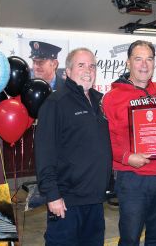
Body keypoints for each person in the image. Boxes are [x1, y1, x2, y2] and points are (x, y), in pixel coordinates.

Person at [34, 48, 112, 245]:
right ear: (67, 71)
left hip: (94, 200)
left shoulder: (99, 101)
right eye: (81, 65)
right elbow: (44, 153)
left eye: (92, 66)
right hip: (67, 202)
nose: (88, 70)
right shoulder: (56, 103)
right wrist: (52, 195)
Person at [102, 40, 156, 246]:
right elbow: (105, 140)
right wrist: (126, 157)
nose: (144, 64)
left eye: (149, 59)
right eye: (138, 59)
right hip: (132, 179)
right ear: (128, 63)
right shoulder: (112, 98)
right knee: (130, 239)